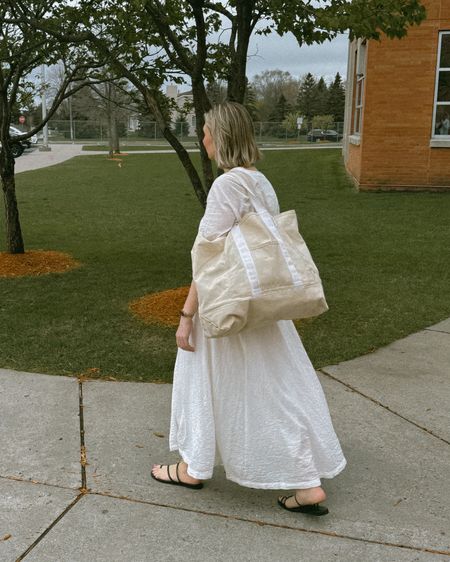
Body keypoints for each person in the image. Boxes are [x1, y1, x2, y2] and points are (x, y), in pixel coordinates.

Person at [151, 102, 346, 516]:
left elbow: (207, 259)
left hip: (229, 310)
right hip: (263, 310)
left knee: (206, 384)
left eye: (205, 131)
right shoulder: (260, 182)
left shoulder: (226, 186)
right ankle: (307, 483)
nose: (201, 139)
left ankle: (193, 466)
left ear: (219, 137)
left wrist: (186, 317)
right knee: (276, 388)